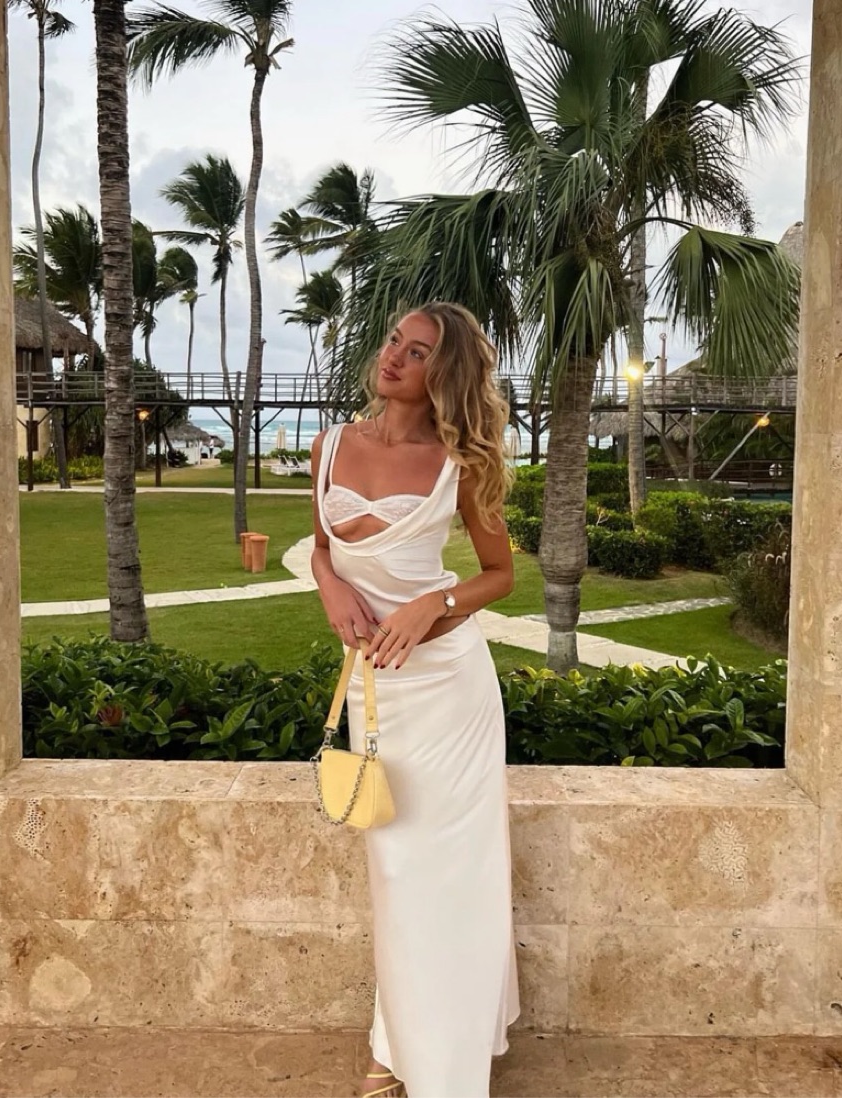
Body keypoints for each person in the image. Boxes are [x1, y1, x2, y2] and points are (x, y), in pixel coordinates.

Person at [310, 302, 520, 1098]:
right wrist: (331, 588)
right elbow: (324, 551)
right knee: (396, 873)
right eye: (395, 339)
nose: (394, 355)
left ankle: (429, 1063)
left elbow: (499, 575)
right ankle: (395, 1038)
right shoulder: (331, 445)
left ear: (446, 373)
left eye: (419, 350)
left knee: (449, 878)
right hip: (376, 690)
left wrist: (434, 603)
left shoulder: (459, 463)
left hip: (450, 693)